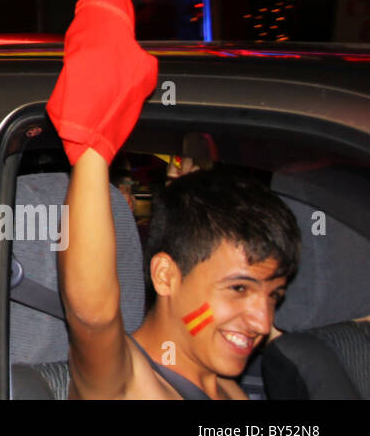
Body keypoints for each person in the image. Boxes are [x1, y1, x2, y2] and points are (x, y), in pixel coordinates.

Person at [61, 148, 299, 399]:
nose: (262, 323)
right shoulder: (126, 382)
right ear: (165, 276)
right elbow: (92, 314)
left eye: (274, 296)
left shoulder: (226, 387)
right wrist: (92, 150)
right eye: (239, 288)